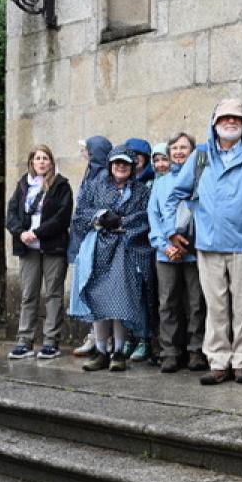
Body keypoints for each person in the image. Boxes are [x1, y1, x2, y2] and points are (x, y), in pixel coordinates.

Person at [169, 99, 242, 385]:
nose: (230, 122)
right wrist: (170, 230)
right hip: (209, 245)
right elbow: (175, 193)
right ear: (214, 124)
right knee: (215, 307)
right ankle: (218, 361)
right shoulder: (201, 156)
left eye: (236, 119)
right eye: (224, 118)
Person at [68, 146, 155, 372]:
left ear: (132, 166)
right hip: (98, 251)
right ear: (110, 165)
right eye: (117, 163)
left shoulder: (141, 191)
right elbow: (80, 214)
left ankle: (118, 352)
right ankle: (100, 351)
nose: (121, 167)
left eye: (125, 163)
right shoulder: (95, 186)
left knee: (121, 301)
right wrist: (101, 217)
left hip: (126, 251)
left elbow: (145, 218)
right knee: (98, 300)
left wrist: (122, 223)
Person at [6, 145, 73, 360]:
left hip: (52, 246)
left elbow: (62, 217)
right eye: (38, 158)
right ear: (31, 162)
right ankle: (24, 341)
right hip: (28, 248)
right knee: (28, 295)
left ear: (52, 162)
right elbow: (11, 214)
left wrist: (37, 232)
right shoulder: (23, 185)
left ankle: (51, 342)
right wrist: (20, 233)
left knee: (53, 294)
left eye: (45, 158)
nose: (42, 162)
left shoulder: (61, 185)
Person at [148, 133, 208, 373]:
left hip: (195, 251)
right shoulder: (160, 183)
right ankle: (170, 352)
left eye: (184, 147)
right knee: (168, 304)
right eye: (174, 148)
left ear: (193, 151)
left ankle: (196, 350)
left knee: (196, 303)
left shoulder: (202, 177)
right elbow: (154, 217)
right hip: (166, 253)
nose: (179, 152)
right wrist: (166, 246)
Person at [69, 136, 112, 357]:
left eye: (86, 150)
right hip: (87, 237)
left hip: (98, 240)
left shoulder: (103, 176)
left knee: (98, 290)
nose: (83, 154)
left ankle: (102, 339)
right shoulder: (91, 174)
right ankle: (95, 336)